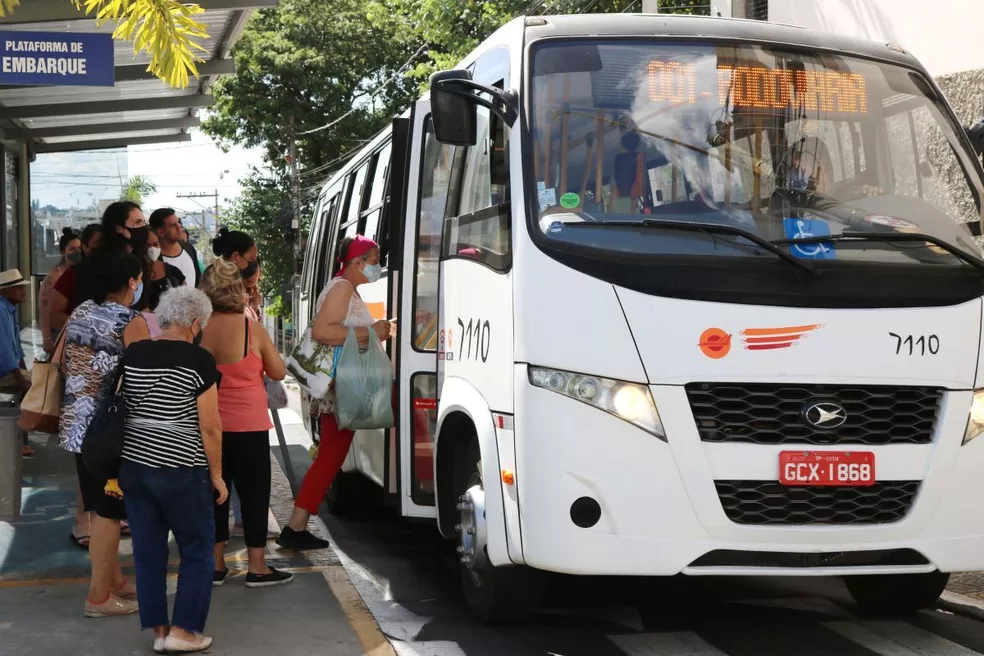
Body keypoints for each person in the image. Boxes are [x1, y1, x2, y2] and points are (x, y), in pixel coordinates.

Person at [119, 287, 225, 653]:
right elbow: (209, 425)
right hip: (183, 468)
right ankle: (185, 631)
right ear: (196, 323)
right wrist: (216, 474)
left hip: (135, 465)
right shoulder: (199, 360)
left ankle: (160, 632)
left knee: (148, 551)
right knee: (196, 548)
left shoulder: (134, 354)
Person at [277, 235, 395, 550]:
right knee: (330, 457)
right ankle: (296, 526)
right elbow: (323, 331)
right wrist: (371, 332)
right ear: (358, 262)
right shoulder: (342, 287)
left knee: (331, 455)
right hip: (339, 387)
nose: (377, 267)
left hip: (342, 385)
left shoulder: (346, 288)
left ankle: (297, 525)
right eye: (374, 261)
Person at [58, 251, 150, 617]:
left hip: (76, 426)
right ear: (131, 282)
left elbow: (65, 361)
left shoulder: (80, 311)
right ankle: (98, 597)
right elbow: (143, 376)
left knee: (98, 507)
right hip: (110, 431)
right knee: (111, 512)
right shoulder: (131, 320)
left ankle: (113, 581)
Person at [200, 259, 292, 588]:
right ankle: (257, 567)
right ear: (237, 288)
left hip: (209, 424)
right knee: (254, 495)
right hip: (250, 424)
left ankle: (215, 564)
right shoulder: (252, 327)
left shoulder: (199, 327)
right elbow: (278, 372)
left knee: (214, 493)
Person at [52, 202, 144, 325]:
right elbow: (54, 315)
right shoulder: (86, 270)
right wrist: (87, 327)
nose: (143, 228)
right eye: (137, 222)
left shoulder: (139, 262)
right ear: (119, 228)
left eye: (144, 222)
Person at [0, 269, 32, 457]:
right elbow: (4, 351)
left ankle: (19, 439)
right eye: (18, 288)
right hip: (3, 373)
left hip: (6, 370)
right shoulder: (2, 310)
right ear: (4, 292)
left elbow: (16, 348)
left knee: (34, 383)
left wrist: (24, 372)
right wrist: (22, 379)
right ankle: (15, 442)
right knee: (35, 388)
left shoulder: (9, 309)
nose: (23, 292)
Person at [48, 223, 102, 335]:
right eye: (97, 243)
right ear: (86, 248)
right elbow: (53, 316)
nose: (102, 248)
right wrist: (86, 327)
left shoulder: (117, 273)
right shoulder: (71, 275)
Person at [136, 228, 186, 336]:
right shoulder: (133, 276)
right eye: (147, 246)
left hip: (174, 332)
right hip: (145, 333)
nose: (152, 249)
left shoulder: (174, 273)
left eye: (156, 244)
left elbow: (186, 302)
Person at [39, 228, 82, 353]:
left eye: (79, 248)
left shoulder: (82, 272)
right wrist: (46, 338)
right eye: (72, 249)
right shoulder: (54, 276)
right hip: (59, 330)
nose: (77, 252)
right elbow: (44, 309)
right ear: (63, 252)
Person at [150, 208, 202, 288]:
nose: (179, 227)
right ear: (160, 232)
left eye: (178, 222)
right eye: (173, 225)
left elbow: (198, 279)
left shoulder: (188, 248)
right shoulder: (154, 257)